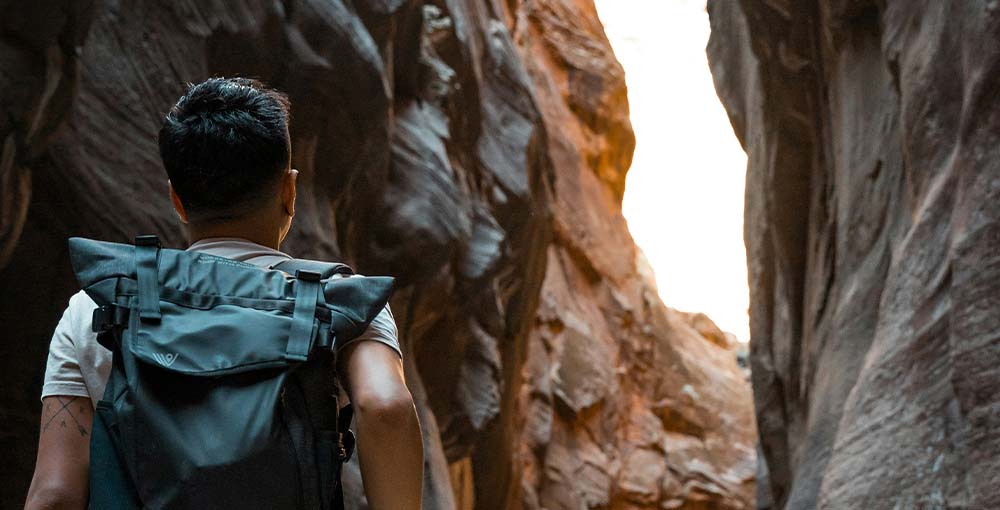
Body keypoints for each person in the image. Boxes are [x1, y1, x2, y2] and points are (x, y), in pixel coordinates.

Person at [24, 77, 424, 510]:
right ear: (289, 191)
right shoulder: (341, 302)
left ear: (177, 199)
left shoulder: (97, 307)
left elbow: (55, 496)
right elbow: (386, 408)